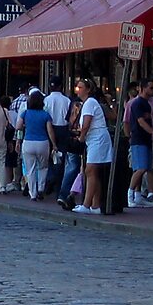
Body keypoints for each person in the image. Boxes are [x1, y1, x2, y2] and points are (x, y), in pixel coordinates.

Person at [73, 78, 112, 215]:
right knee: (93, 172)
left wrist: (81, 137)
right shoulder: (86, 103)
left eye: (81, 87)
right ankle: (95, 205)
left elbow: (87, 123)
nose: (78, 90)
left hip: (97, 138)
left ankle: (86, 203)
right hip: (95, 139)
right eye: (78, 87)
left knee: (90, 170)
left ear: (88, 89)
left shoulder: (90, 103)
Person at [126, 79, 153, 208]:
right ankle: (130, 195)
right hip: (138, 139)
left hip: (146, 139)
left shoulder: (148, 104)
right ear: (142, 88)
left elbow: (149, 121)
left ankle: (138, 196)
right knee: (140, 168)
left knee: (146, 168)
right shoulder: (136, 104)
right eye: (151, 88)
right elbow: (141, 122)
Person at [15, 91, 55, 201]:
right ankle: (41, 188)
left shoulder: (25, 113)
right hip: (43, 142)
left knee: (30, 170)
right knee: (43, 167)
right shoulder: (45, 115)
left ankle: (32, 193)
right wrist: (54, 145)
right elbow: (50, 131)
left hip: (28, 142)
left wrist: (18, 140)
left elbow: (18, 126)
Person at [44, 78, 72, 196]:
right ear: (61, 87)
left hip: (49, 127)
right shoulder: (67, 100)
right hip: (63, 129)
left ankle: (50, 177)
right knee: (61, 156)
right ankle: (58, 182)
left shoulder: (46, 100)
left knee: (48, 156)